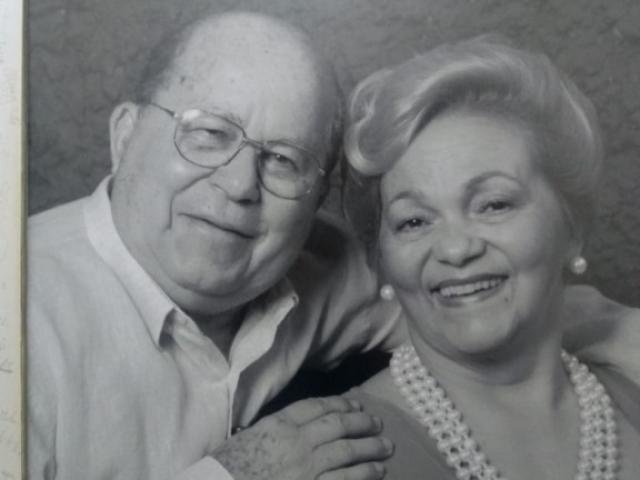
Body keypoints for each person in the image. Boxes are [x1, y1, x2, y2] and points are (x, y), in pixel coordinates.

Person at [27, 11, 639, 480]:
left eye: (283, 159)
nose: (239, 187)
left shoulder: (319, 267)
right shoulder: (23, 323)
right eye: (208, 134)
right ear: (125, 135)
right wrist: (229, 476)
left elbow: (503, 303)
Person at [343, 36, 640, 479]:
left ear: (572, 229)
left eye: (493, 204)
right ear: (382, 260)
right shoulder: (337, 453)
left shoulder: (630, 388)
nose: (455, 249)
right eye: (414, 221)